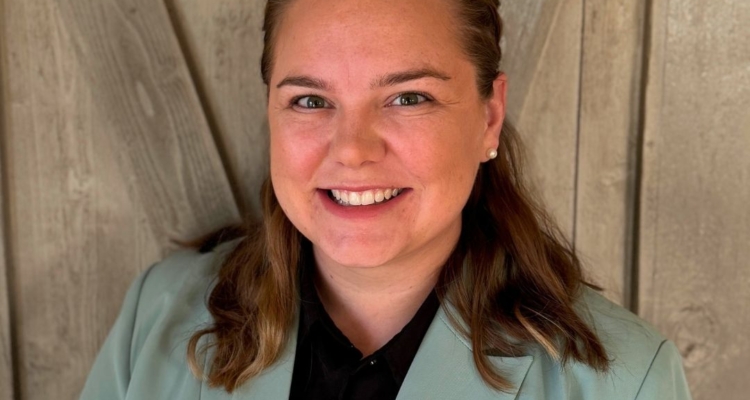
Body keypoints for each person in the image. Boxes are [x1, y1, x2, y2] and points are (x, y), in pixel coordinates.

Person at [80, 0, 693, 399]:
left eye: (408, 98)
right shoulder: (155, 317)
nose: (352, 150)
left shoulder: (626, 380)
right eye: (311, 101)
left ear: (489, 116)